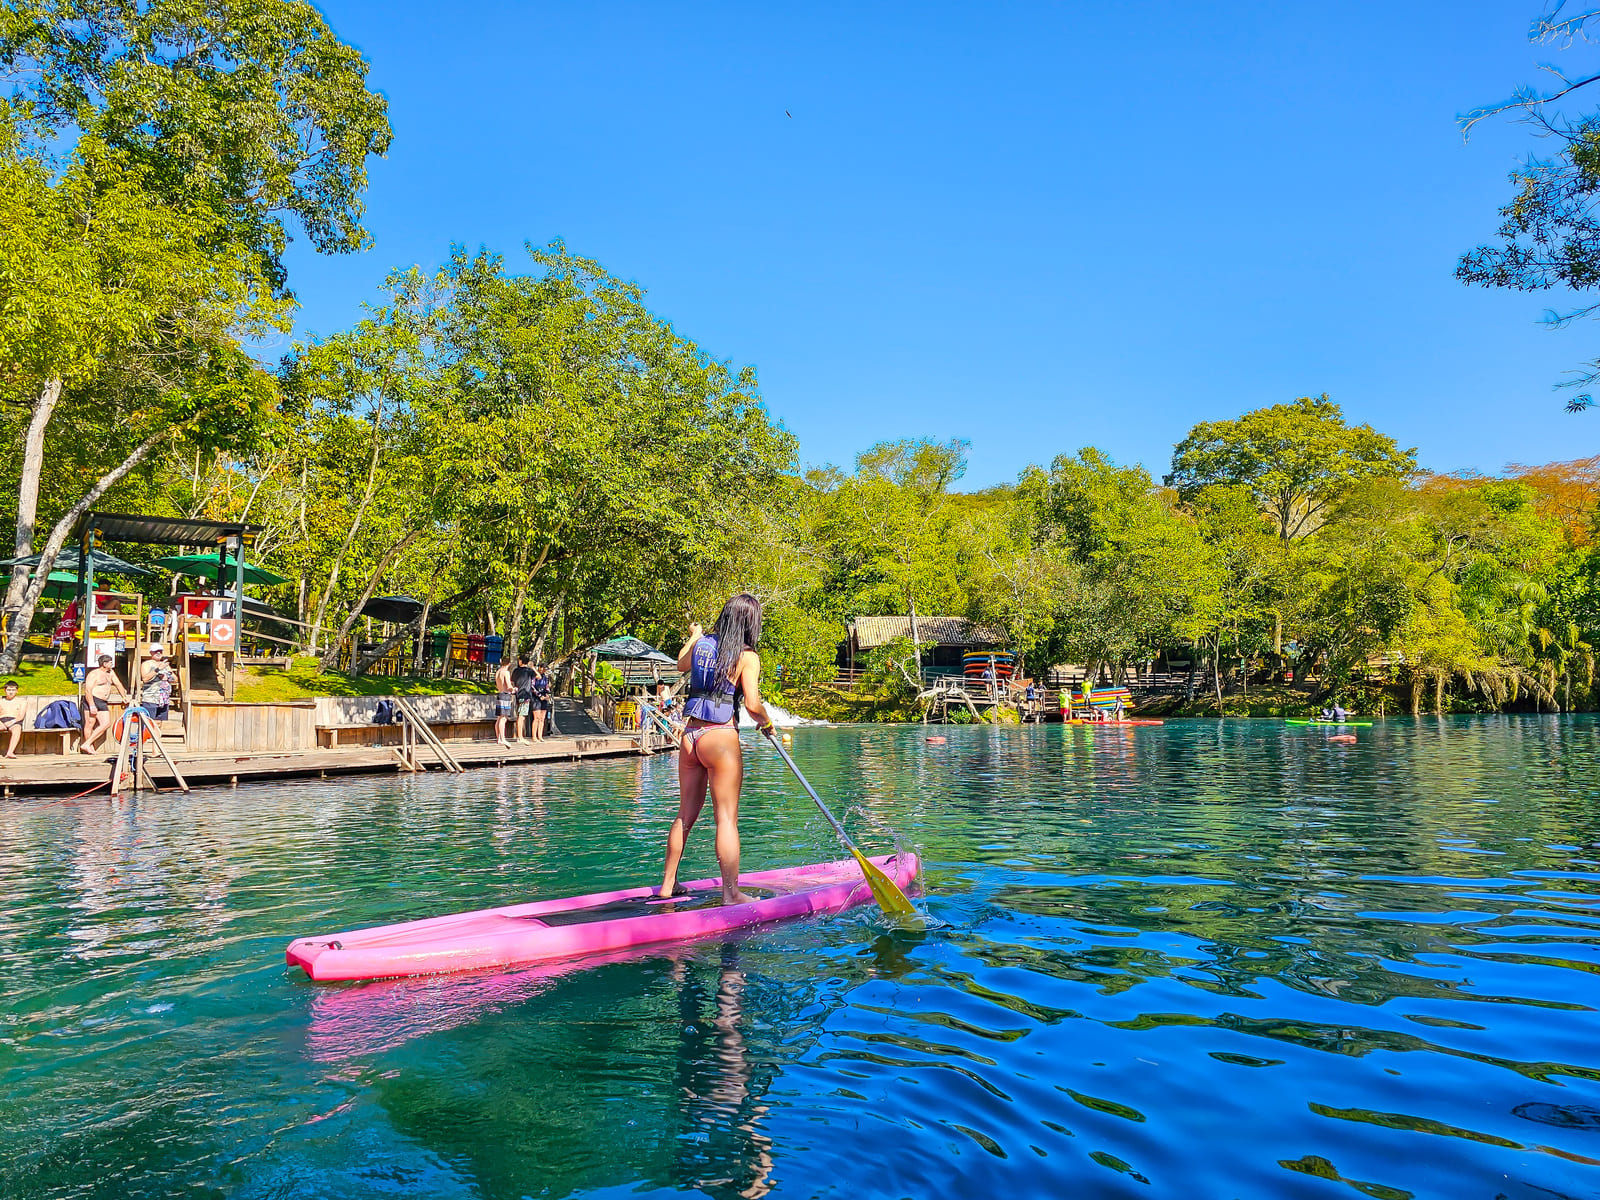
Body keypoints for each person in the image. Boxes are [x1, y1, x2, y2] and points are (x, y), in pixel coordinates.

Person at [660, 594, 774, 904]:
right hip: (720, 736)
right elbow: (752, 704)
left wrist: (695, 636)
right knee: (726, 818)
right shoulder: (748, 656)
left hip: (690, 736)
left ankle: (668, 886)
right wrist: (767, 722)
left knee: (685, 814)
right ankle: (731, 893)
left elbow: (681, 664)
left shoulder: (702, 644)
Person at [81, 655, 131, 753]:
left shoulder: (111, 673)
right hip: (93, 699)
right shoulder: (94, 674)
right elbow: (88, 690)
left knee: (106, 723)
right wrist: (91, 705)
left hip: (103, 702)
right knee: (90, 723)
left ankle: (87, 743)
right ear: (104, 664)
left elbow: (118, 684)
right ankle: (89, 747)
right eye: (110, 662)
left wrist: (124, 697)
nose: (112, 664)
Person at [139, 646, 176, 722]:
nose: (158, 653)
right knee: (149, 723)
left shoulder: (166, 665)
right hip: (150, 699)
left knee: (160, 723)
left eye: (160, 651)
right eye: (156, 651)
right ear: (151, 652)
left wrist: (168, 677)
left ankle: (158, 734)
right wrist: (158, 670)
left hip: (164, 699)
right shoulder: (146, 664)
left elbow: (175, 679)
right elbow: (145, 679)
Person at [511, 654, 536, 742]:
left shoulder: (516, 670)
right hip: (525, 695)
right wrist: (533, 667)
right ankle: (520, 737)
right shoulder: (529, 671)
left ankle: (521, 735)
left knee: (520, 715)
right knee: (521, 716)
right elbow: (538, 676)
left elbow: (512, 682)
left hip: (518, 694)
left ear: (521, 661)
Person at [493, 656, 516, 747]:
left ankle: (498, 738)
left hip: (500, 694)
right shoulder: (506, 672)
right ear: (509, 664)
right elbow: (509, 686)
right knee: (503, 718)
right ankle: (503, 738)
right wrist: (514, 689)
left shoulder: (498, 672)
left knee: (499, 718)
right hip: (505, 695)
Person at [0, 679, 24, 759]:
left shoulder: (22, 701)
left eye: (13, 690)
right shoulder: (1, 700)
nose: (11, 692)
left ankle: (10, 752)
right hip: (1, 720)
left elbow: (21, 716)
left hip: (15, 721)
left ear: (17, 691)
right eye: (9, 690)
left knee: (17, 729)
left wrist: (12, 722)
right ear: (5, 690)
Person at [530, 666, 553, 740]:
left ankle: (540, 736)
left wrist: (548, 694)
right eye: (542, 668)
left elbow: (547, 687)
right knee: (536, 717)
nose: (543, 670)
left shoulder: (545, 677)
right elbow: (532, 687)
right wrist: (539, 695)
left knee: (542, 718)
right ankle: (534, 736)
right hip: (536, 698)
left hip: (544, 698)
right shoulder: (534, 676)